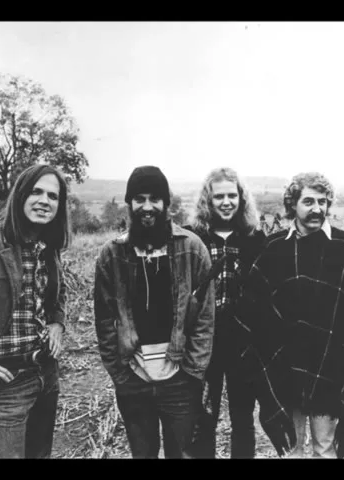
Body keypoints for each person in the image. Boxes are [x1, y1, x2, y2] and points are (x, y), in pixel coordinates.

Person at [239, 172, 344, 458]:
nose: (317, 209)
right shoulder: (274, 248)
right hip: (285, 368)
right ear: (292, 204)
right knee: (290, 450)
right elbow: (255, 312)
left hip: (330, 368)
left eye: (322, 201)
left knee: (325, 449)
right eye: (308, 201)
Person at [93, 165, 215, 458]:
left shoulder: (192, 249)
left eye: (155, 199)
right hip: (133, 380)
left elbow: (205, 318)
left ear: (166, 203)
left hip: (180, 381)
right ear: (129, 203)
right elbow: (104, 319)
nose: (147, 207)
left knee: (181, 453)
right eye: (139, 199)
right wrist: (120, 375)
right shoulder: (112, 254)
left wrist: (192, 373)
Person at [0, 164, 69, 458]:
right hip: (6, 380)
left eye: (53, 196)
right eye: (36, 192)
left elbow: (59, 292)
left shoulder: (48, 245)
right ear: (19, 195)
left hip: (46, 373)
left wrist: (57, 323)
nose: (44, 201)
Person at [187, 167, 266, 458]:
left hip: (242, 345)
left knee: (243, 419)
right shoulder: (193, 238)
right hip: (203, 343)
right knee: (203, 419)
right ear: (208, 200)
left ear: (241, 199)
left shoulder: (254, 238)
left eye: (232, 195)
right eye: (219, 196)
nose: (226, 202)